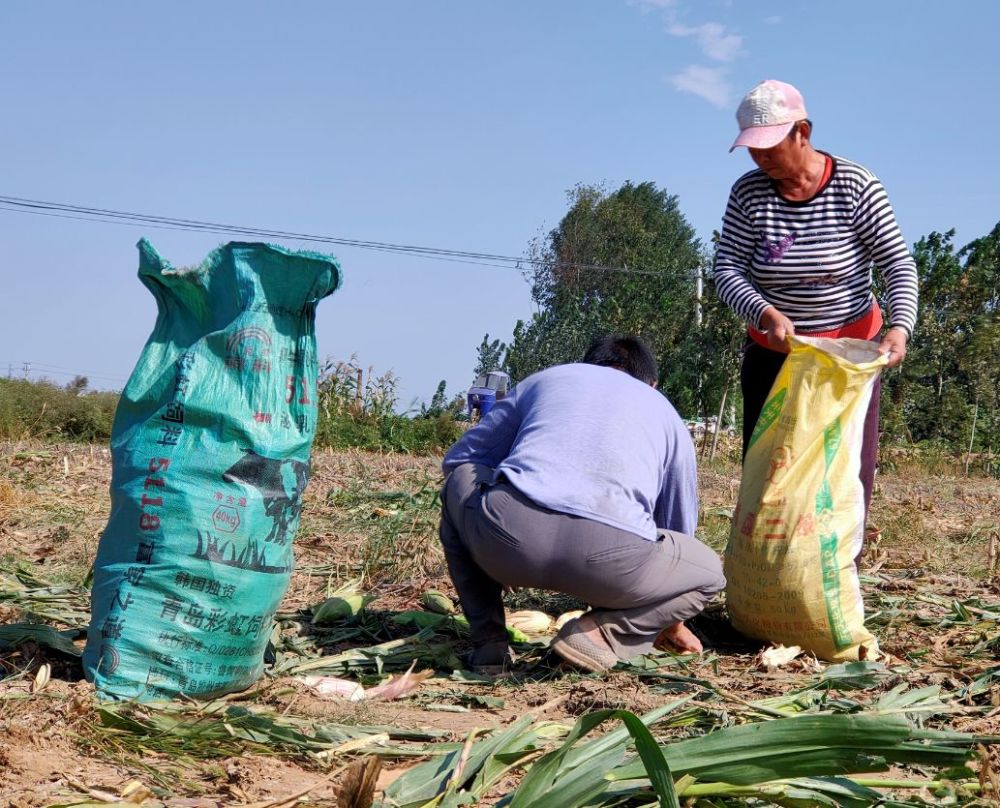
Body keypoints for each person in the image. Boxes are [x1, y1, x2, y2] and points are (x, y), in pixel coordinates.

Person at [437, 335, 725, 674]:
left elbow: (461, 459)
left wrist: (489, 539)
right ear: (653, 383)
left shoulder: (548, 379)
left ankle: (490, 646)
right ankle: (599, 635)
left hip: (508, 542)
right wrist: (667, 620)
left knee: (462, 478)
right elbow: (679, 531)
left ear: (585, 366)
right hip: (612, 566)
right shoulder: (666, 413)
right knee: (708, 574)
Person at [714, 79, 918, 526]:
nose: (760, 157)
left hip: (845, 358)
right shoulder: (748, 194)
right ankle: (765, 578)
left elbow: (898, 264)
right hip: (776, 354)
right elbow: (726, 271)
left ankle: (837, 575)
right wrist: (764, 312)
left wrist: (899, 327)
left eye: (770, 146)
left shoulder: (855, 185)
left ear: (802, 132)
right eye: (752, 148)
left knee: (844, 471)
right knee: (769, 470)